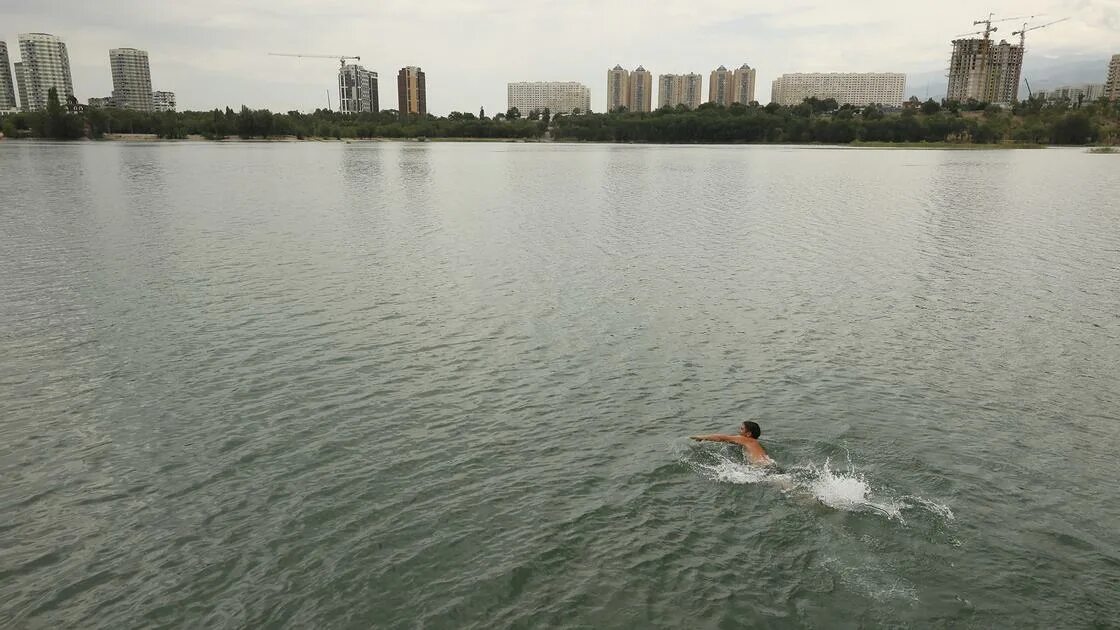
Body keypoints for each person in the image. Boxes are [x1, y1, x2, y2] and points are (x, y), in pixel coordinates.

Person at [690, 420, 773, 465]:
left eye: (742, 429)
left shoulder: (744, 439)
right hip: (770, 464)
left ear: (748, 434)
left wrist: (701, 437)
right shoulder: (755, 443)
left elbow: (720, 438)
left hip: (761, 467)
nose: (739, 431)